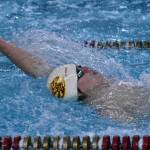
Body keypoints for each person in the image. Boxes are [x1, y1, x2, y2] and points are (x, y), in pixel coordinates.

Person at [0, 38, 149, 122]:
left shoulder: (106, 88)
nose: (85, 68)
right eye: (79, 73)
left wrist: (2, 44)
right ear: (78, 91)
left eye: (79, 67)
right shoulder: (108, 108)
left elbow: (37, 68)